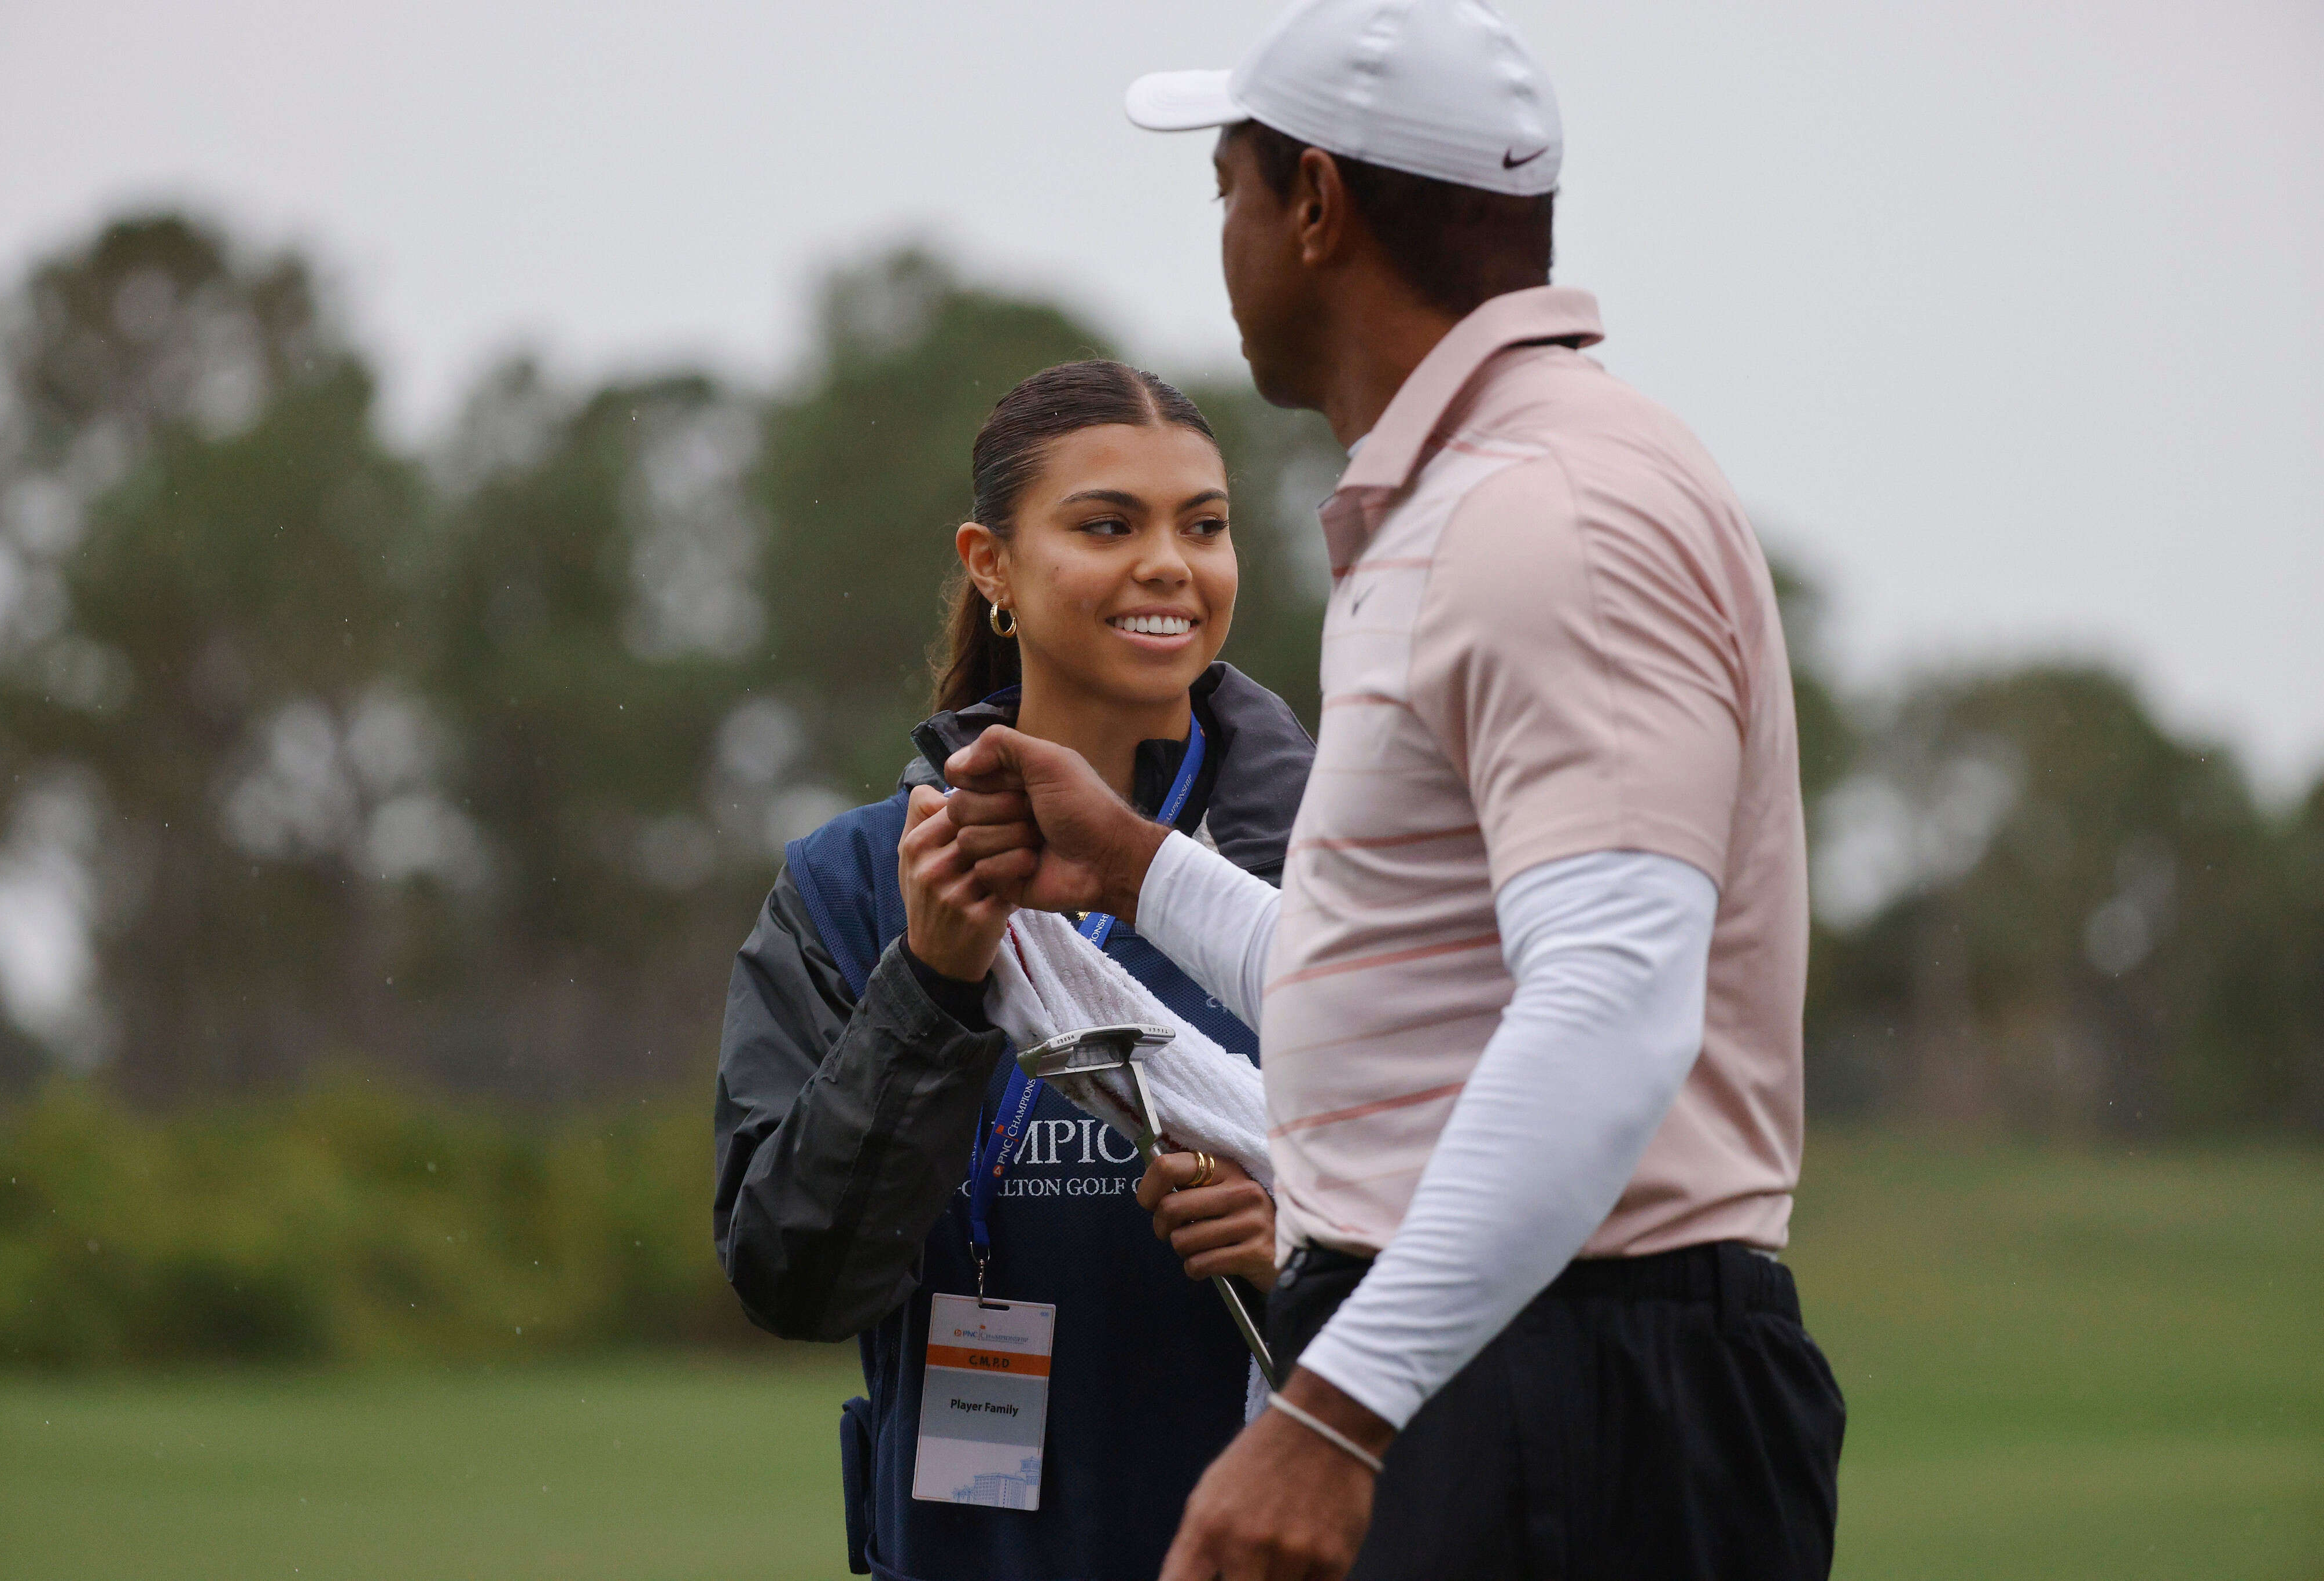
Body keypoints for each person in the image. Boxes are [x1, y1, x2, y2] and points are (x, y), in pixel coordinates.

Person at [938, 3, 1846, 1578]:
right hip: (1502, 1351)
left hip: (1567, 1373)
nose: (1219, 238)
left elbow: (1614, 997)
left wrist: (1334, 1410)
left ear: (1314, 206)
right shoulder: (1474, 496)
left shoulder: (1546, 513)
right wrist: (1139, 866)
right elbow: (1420, 996)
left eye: (1226, 186)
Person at [712, 359, 1317, 1580]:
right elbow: (791, 1270)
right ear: (989, 564)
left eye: (1202, 526)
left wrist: (1305, 1251)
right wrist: (929, 986)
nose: (1168, 564)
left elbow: (1498, 1235)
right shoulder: (853, 881)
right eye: (1108, 524)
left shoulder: (1334, 873)